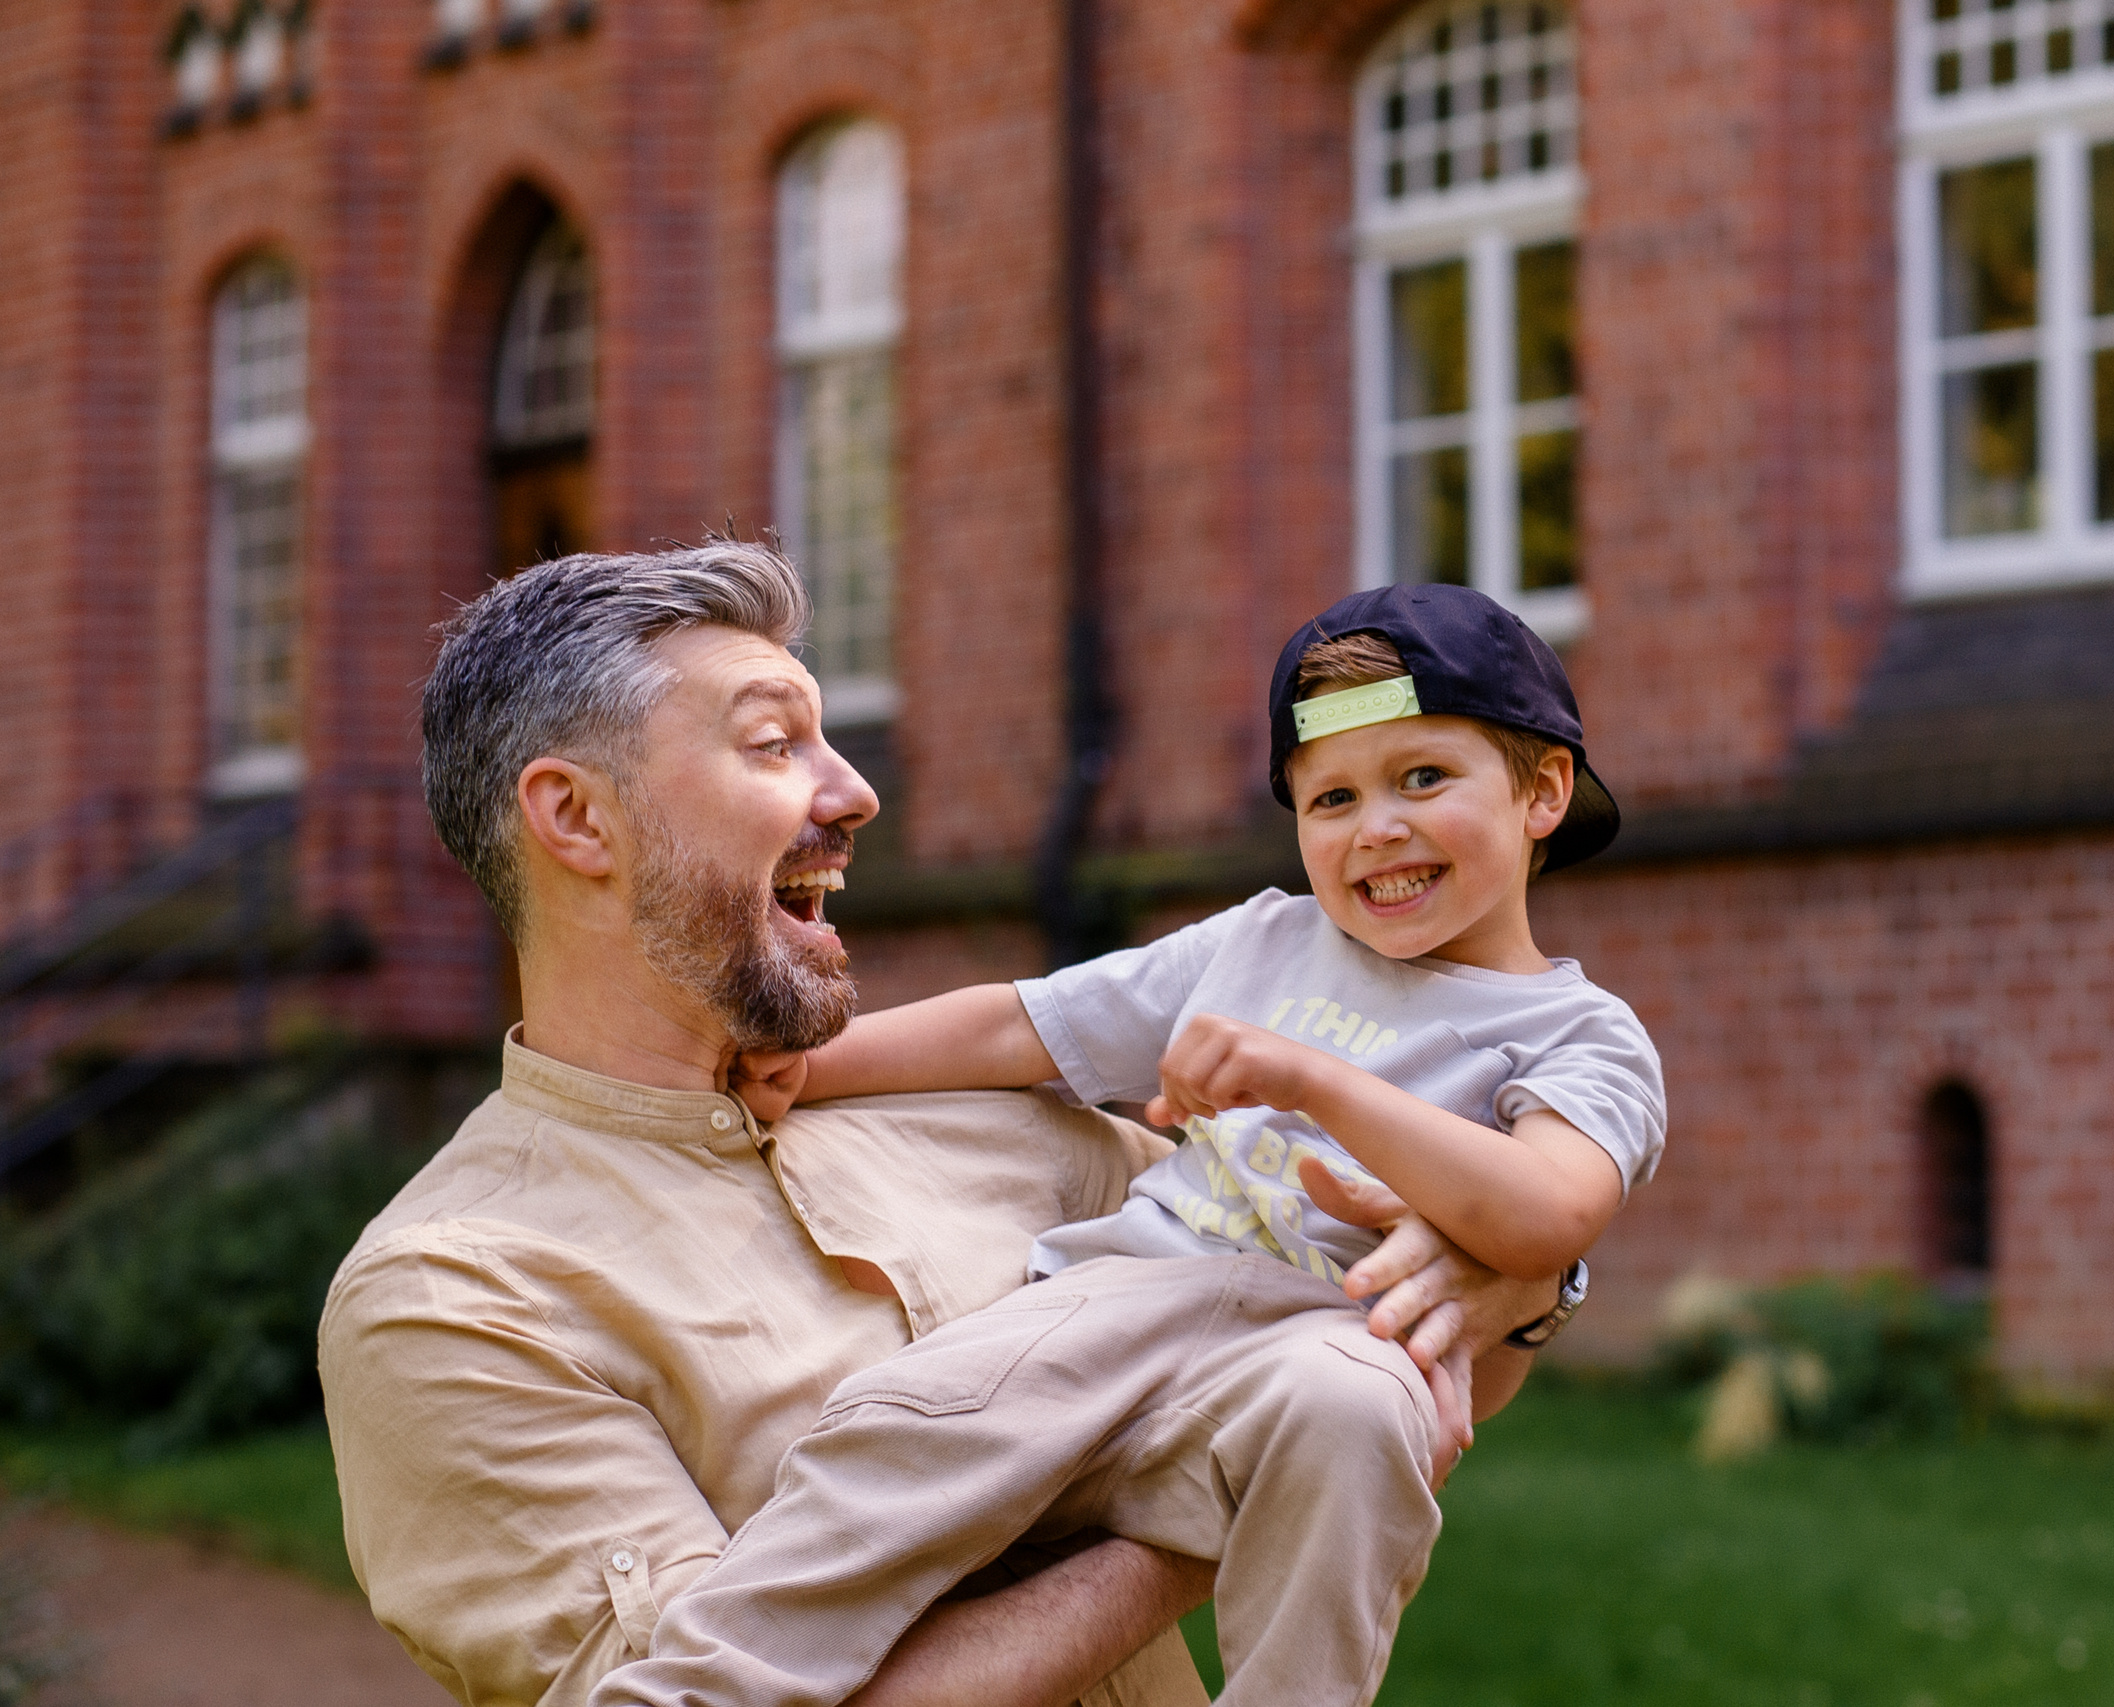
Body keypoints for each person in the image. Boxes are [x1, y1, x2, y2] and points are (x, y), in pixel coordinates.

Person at [319, 545, 1560, 1707]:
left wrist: (1504, 1277)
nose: (854, 793)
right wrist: (1213, 1503)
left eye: (830, 742)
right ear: (577, 820)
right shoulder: (453, 1299)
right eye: (772, 747)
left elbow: (1344, 1315)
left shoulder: (1004, 1126)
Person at [598, 584, 1666, 1707]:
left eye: (1423, 779)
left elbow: (1551, 1214)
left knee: (1361, 1416)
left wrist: (1311, 1079)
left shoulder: (1578, 1036)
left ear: (1542, 789)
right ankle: (698, 1693)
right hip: (1126, 1305)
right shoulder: (1267, 939)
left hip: (1317, 1350)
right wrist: (815, 1063)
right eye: (1331, 798)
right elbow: (1024, 1025)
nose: (1376, 829)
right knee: (897, 1437)